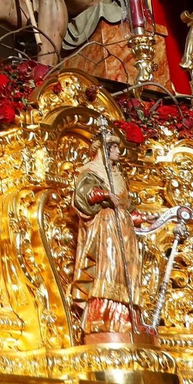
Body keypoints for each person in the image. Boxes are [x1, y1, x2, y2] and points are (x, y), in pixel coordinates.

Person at [70, 129, 151, 343]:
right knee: (110, 268)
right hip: (105, 225)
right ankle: (103, 316)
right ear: (104, 150)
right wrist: (105, 195)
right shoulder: (92, 171)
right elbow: (83, 196)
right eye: (114, 148)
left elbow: (127, 205)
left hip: (123, 227)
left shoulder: (118, 175)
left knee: (129, 271)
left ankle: (127, 316)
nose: (117, 152)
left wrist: (140, 217)